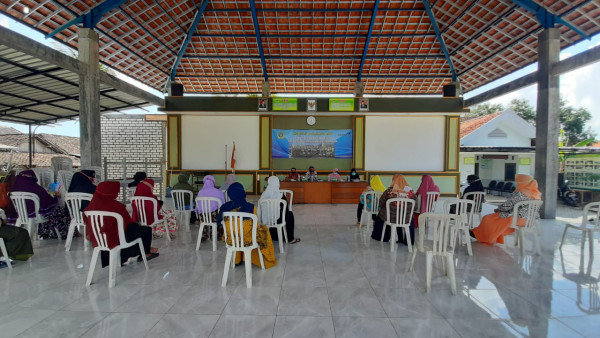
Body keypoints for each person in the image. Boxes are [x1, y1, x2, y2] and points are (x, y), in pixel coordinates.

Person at [84, 181, 158, 267]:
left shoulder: (91, 206)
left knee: (135, 229)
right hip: (117, 238)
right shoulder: (116, 206)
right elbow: (128, 223)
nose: (117, 193)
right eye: (116, 191)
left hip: (101, 238)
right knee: (146, 230)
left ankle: (142, 250)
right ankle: (146, 253)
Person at [218, 182, 277, 268]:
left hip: (231, 238)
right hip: (248, 239)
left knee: (237, 230)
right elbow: (256, 225)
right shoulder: (252, 207)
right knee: (264, 230)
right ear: (243, 193)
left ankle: (237, 259)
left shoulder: (224, 207)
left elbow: (219, 222)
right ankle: (267, 258)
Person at [471, 174, 541, 246]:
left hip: (518, 219)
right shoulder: (536, 193)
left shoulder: (521, 193)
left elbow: (507, 205)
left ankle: (481, 236)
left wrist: (498, 209)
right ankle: (483, 234)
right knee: (495, 218)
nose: (517, 183)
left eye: (518, 182)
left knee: (487, 218)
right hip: (530, 220)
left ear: (522, 182)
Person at [5, 170, 72, 239]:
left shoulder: (13, 191)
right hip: (37, 215)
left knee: (47, 211)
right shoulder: (36, 188)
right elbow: (48, 202)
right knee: (61, 211)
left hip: (20, 215)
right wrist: (57, 197)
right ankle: (64, 234)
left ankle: (47, 233)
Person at [370, 174, 416, 244]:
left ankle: (381, 236)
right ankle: (409, 241)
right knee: (410, 217)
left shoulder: (389, 191)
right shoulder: (411, 192)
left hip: (391, 217)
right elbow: (415, 207)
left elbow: (381, 203)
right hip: (405, 218)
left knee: (382, 214)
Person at [260, 176, 300, 244]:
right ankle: (290, 239)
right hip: (277, 219)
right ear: (277, 183)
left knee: (276, 214)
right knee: (290, 214)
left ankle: (273, 236)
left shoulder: (263, 194)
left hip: (265, 219)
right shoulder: (280, 195)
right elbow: (285, 209)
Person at [196, 175, 226, 241]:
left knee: (205, 213)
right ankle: (217, 235)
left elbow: (197, 207)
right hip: (214, 218)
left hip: (203, 217)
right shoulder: (218, 192)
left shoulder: (200, 192)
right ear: (213, 182)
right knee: (221, 214)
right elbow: (223, 205)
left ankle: (205, 234)